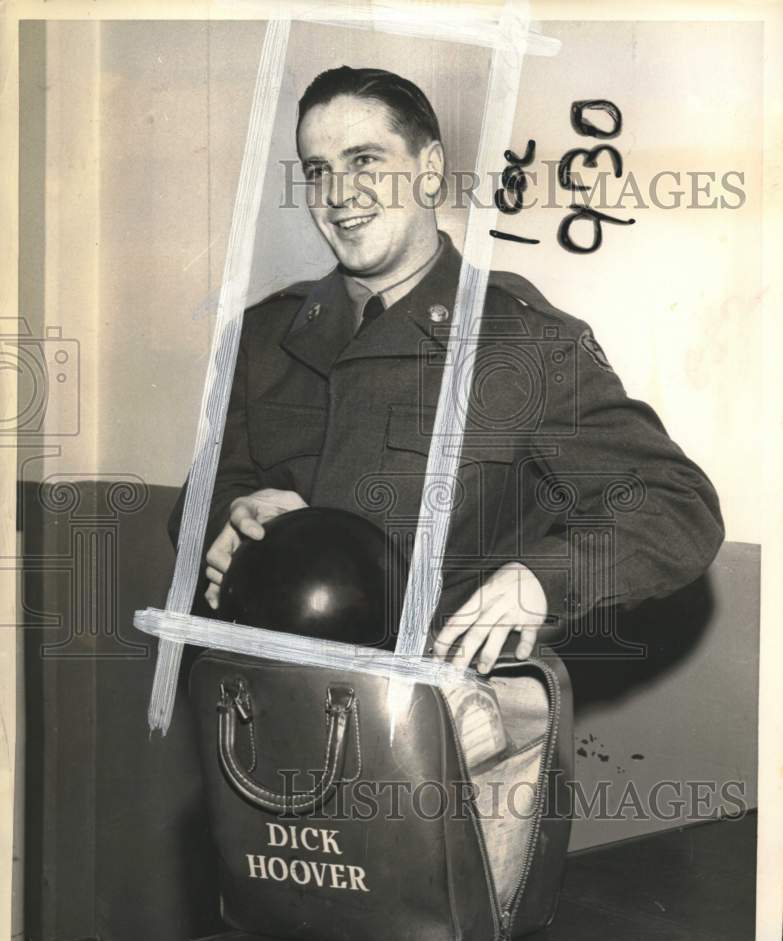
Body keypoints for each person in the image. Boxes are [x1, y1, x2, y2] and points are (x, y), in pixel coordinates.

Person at [169, 66, 724, 674]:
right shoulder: (267, 335)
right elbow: (203, 494)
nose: (338, 195)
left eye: (364, 161)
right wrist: (237, 510)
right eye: (318, 171)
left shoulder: (522, 340)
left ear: (430, 169)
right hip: (261, 707)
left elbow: (677, 505)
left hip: (436, 723)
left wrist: (542, 578)